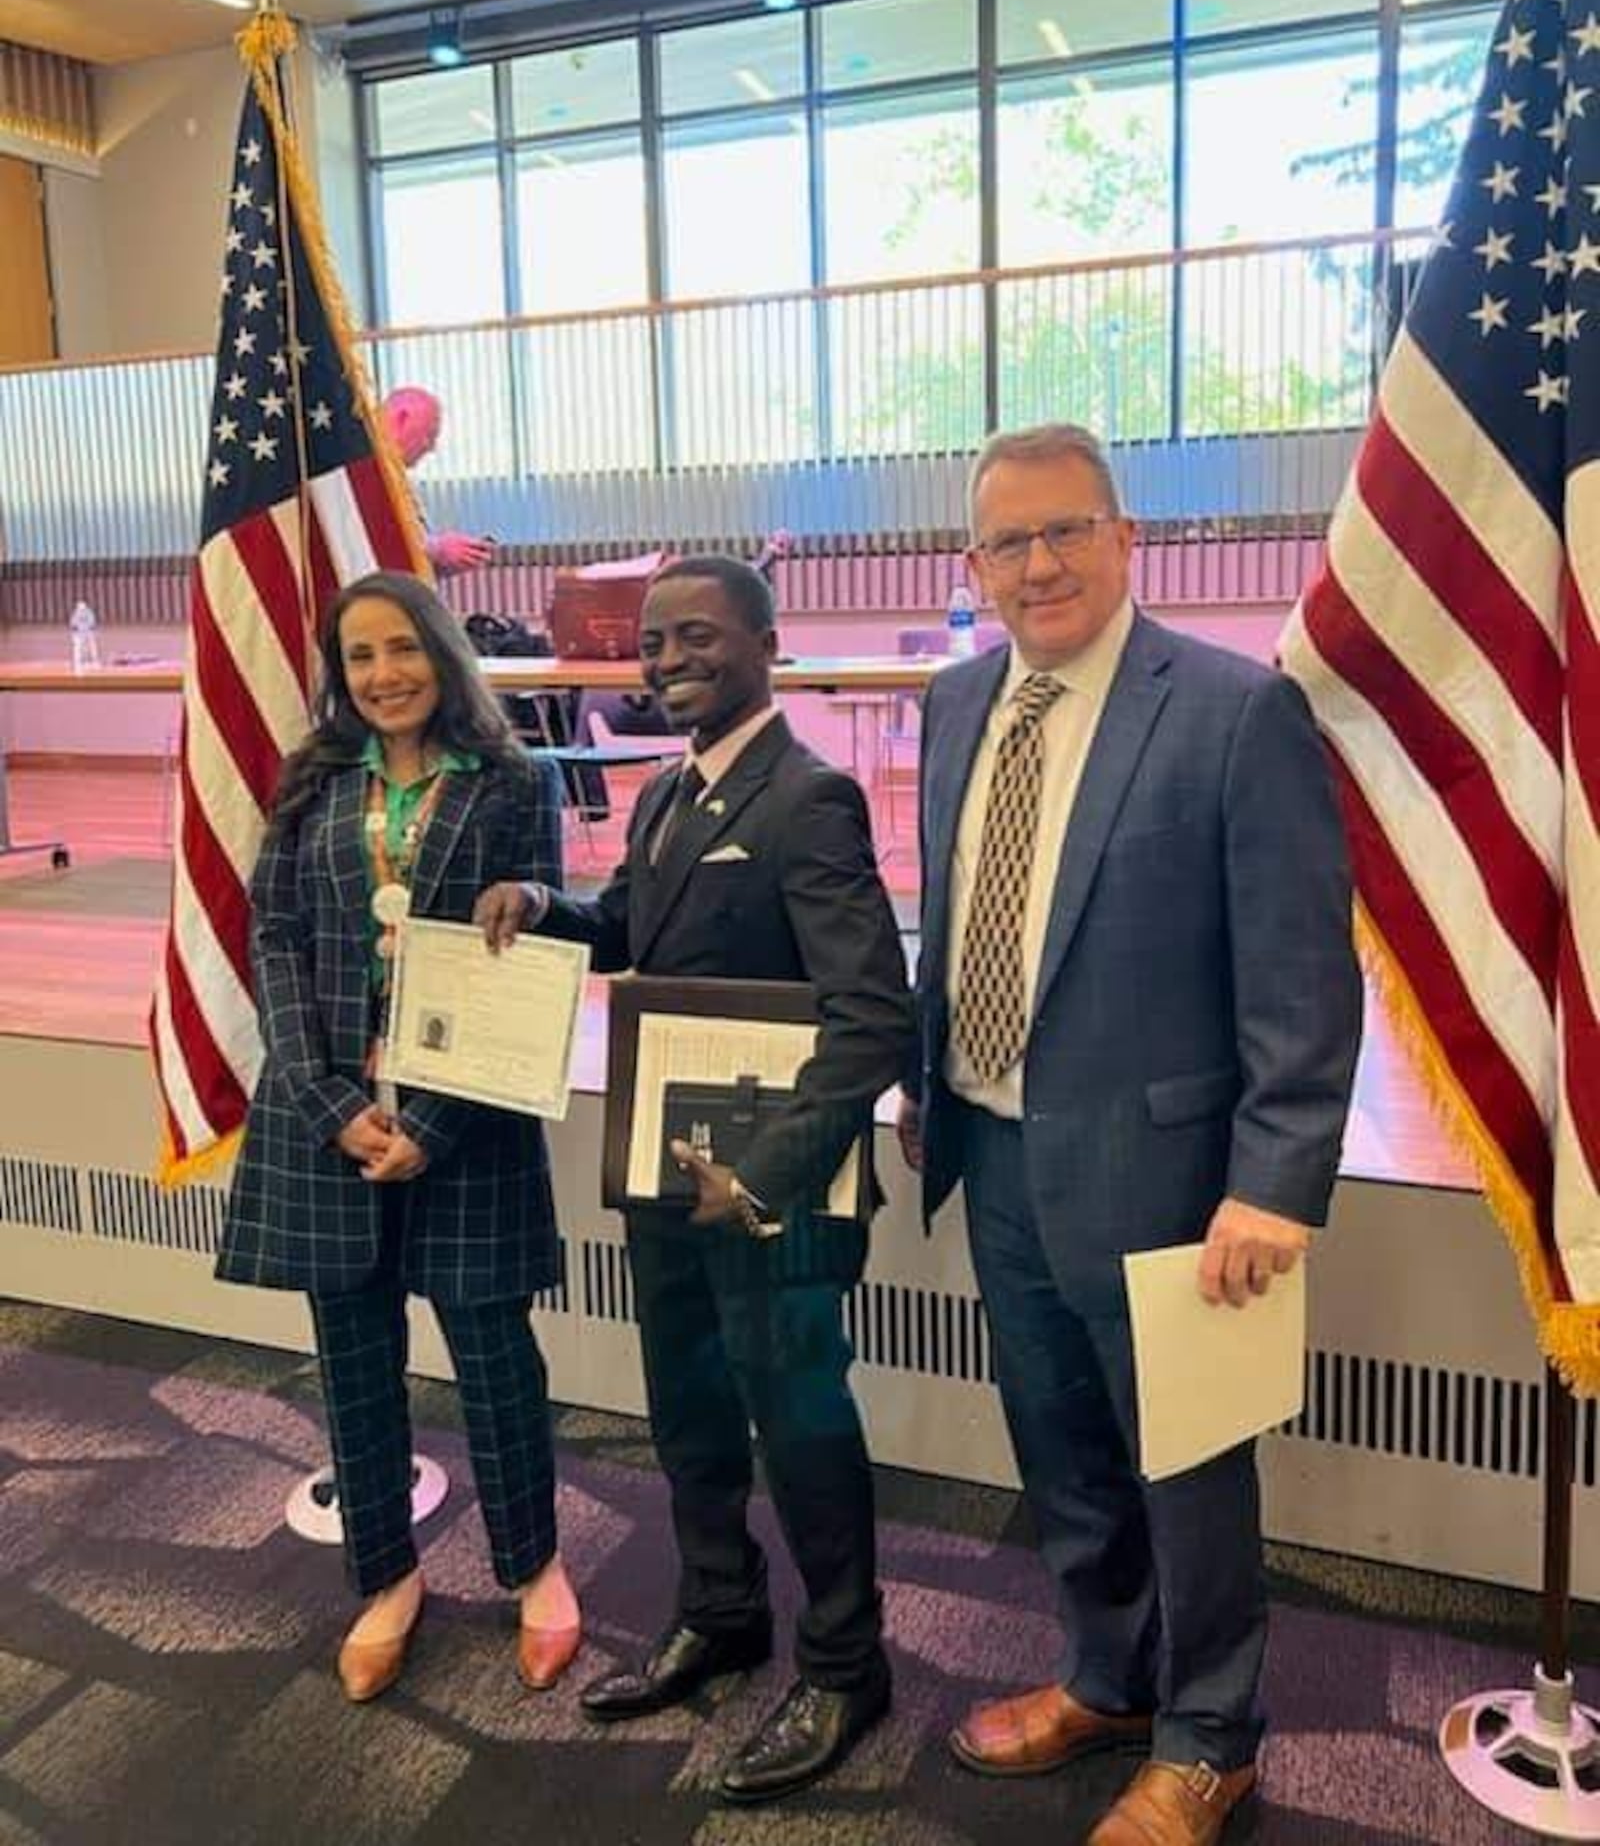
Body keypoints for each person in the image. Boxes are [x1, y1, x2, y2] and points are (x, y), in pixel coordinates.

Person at [899, 425, 1360, 1846]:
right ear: (974, 564)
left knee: (1190, 1462)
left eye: (1064, 531)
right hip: (996, 1154)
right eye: (1008, 542)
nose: (1037, 565)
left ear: (1123, 537)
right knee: (1062, 1449)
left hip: (1173, 1180)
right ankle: (1106, 1672)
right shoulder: (957, 703)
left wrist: (1274, 1179)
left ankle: (1212, 1732)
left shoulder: (1232, 709)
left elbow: (1301, 973)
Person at [475, 555, 914, 1803]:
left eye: (699, 638)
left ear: (768, 641)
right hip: (667, 1174)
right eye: (654, 642)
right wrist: (542, 904)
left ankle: (844, 1662)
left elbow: (872, 1019)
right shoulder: (669, 795)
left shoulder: (809, 798)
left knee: (804, 1426)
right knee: (690, 1415)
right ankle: (721, 1610)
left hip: (770, 1190)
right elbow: (628, 931)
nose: (668, 660)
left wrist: (765, 1177)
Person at [216, 570, 581, 1703]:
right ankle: (386, 1576)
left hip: (460, 1126)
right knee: (355, 1368)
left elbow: (530, 956)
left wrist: (426, 1121)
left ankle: (535, 1568)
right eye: (359, 655)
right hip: (329, 1124)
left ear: (442, 652)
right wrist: (333, 1107)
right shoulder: (314, 781)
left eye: (402, 649)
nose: (383, 675)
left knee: (495, 1363)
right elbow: (271, 937)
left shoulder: (512, 784)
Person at [380, 386, 495, 576]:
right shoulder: (367, 475)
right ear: (401, 419)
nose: (431, 447)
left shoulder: (399, 480)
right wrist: (436, 549)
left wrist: (448, 561)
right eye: (430, 435)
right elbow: (374, 543)